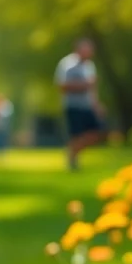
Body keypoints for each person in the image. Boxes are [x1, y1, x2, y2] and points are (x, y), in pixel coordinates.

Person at [55, 38, 105, 171]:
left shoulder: (89, 66)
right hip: (73, 105)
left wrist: (97, 105)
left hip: (87, 105)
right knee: (76, 134)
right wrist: (84, 85)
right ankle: (72, 160)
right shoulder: (67, 64)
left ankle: (71, 153)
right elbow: (62, 85)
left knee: (95, 133)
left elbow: (93, 88)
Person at [0, 93, 14, 160]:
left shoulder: (5, 105)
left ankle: (2, 156)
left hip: (4, 128)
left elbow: (6, 117)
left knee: (3, 143)